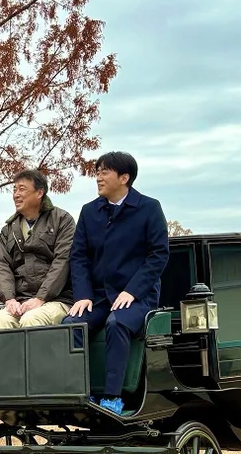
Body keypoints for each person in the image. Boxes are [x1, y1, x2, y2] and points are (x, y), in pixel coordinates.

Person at [64, 151, 170, 415]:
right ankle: (80, 394)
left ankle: (113, 398)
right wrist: (83, 295)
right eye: (97, 172)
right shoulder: (89, 212)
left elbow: (158, 255)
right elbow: (78, 257)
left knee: (117, 323)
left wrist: (132, 291)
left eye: (104, 172)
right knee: (71, 326)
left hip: (138, 296)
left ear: (124, 178)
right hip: (98, 297)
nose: (98, 177)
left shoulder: (149, 208)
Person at [0, 169, 75, 330]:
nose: (16, 194)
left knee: (32, 320)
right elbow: (2, 265)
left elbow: (62, 261)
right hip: (20, 301)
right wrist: (9, 299)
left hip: (56, 300)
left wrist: (41, 298)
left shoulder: (62, 220)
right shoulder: (8, 230)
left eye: (22, 189)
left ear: (39, 193)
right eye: (14, 190)